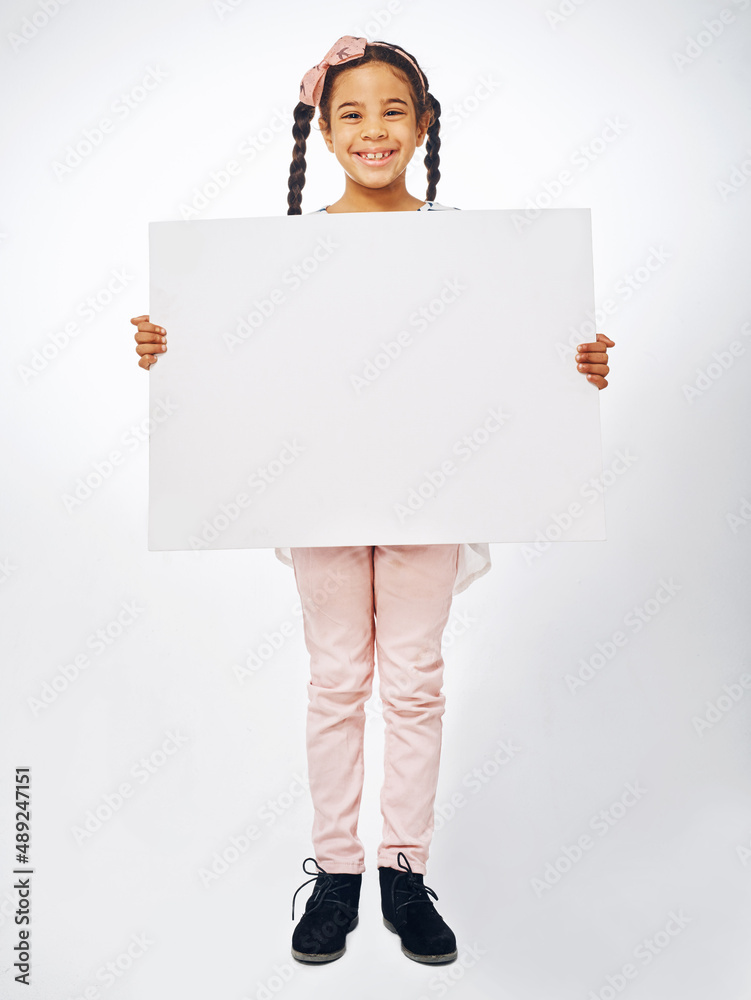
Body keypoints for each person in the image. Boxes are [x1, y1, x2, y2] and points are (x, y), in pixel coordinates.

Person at [130, 35, 615, 968]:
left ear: (424, 123)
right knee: (336, 679)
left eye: (393, 110)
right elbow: (239, 366)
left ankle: (402, 869)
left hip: (432, 493)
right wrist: (172, 351)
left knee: (415, 678)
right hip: (321, 495)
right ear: (322, 126)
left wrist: (575, 365)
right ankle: (338, 874)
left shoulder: (470, 246)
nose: (373, 129)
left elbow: (515, 359)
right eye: (350, 112)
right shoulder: (281, 255)